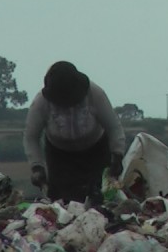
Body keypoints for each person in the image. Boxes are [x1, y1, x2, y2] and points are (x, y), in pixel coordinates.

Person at [23, 61, 127, 203]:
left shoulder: (96, 94)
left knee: (100, 197)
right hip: (59, 156)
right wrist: (37, 167)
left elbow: (113, 127)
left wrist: (117, 155)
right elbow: (31, 137)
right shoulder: (40, 103)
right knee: (61, 200)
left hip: (96, 151)